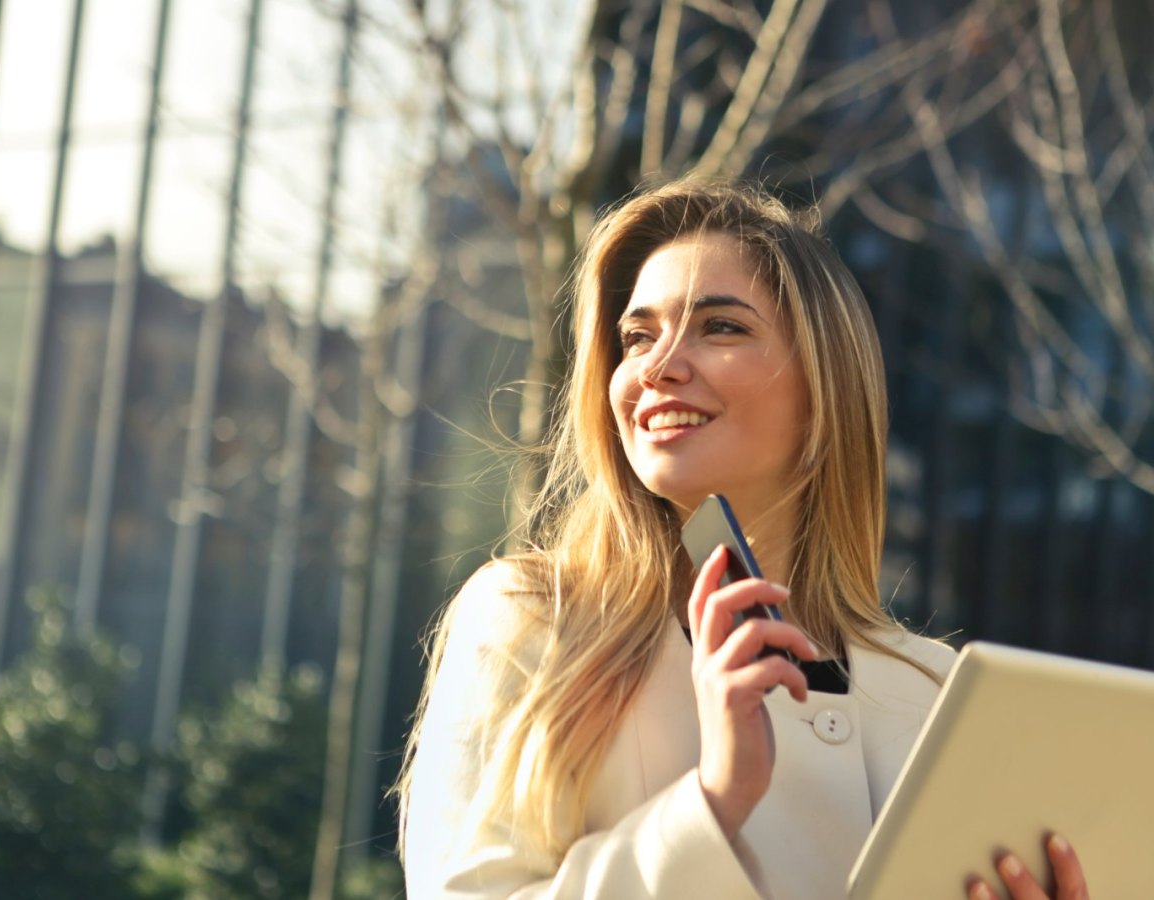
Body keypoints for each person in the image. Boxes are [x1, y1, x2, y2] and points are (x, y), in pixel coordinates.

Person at [395, 179, 1089, 899]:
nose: (658, 366)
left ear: (826, 388)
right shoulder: (534, 618)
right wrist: (713, 802)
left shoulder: (933, 689)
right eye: (637, 336)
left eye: (720, 327)